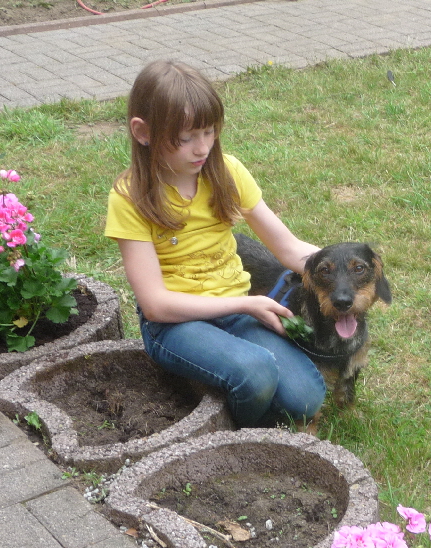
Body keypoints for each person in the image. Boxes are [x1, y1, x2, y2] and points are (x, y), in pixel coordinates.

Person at [105, 60, 326, 429]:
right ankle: (232, 433)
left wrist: (335, 271)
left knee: (305, 399)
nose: (202, 147)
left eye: (209, 132)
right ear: (143, 132)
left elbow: (287, 247)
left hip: (237, 314)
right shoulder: (130, 197)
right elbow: (156, 305)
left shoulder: (226, 172)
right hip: (176, 325)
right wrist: (247, 303)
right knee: (255, 373)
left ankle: (216, 383)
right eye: (187, 137)